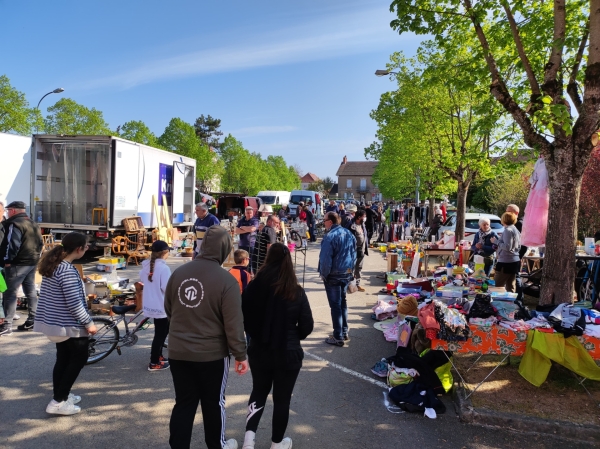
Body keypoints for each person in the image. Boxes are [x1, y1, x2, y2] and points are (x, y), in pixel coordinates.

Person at [165, 225, 249, 449]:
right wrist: (240, 354)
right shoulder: (226, 280)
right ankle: (217, 445)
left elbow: (169, 310)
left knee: (184, 403)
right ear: (224, 249)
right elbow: (234, 324)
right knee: (214, 403)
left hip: (178, 351)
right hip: (212, 355)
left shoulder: (179, 273)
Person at [241, 243, 314, 449]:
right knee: (282, 399)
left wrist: (254, 335)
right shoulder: (296, 291)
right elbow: (307, 325)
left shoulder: (254, 287)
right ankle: (277, 443)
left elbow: (243, 316)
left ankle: (248, 440)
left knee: (258, 392)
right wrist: (294, 336)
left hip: (260, 350)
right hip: (288, 352)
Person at [33, 232, 97, 415]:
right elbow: (74, 303)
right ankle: (58, 401)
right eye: (86, 247)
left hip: (54, 323)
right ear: (79, 249)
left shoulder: (55, 265)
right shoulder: (67, 270)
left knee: (63, 359)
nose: (87, 249)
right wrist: (89, 323)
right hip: (66, 325)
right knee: (78, 359)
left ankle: (61, 395)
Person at [0, 201, 43, 335]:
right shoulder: (33, 223)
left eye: (8, 211)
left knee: (10, 293)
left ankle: (7, 325)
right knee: (30, 290)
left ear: (13, 210)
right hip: (31, 262)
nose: (7, 213)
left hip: (18, 264)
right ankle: (33, 319)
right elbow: (41, 243)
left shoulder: (15, 224)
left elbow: (12, 244)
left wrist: (8, 260)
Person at [318, 212, 356, 347]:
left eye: (324, 221)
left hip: (334, 275)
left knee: (336, 306)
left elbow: (325, 259)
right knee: (342, 303)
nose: (323, 223)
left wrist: (324, 274)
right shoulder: (348, 233)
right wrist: (351, 272)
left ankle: (338, 335)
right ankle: (343, 331)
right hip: (345, 273)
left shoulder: (330, 236)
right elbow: (353, 254)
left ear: (330, 221)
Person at [140, 240, 172, 372]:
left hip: (150, 304)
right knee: (160, 334)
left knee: (161, 332)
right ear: (165, 253)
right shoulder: (164, 268)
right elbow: (167, 288)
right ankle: (154, 362)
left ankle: (158, 356)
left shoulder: (146, 266)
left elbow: (143, 280)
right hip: (161, 306)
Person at [492, 212, 522, 292]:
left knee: (496, 286)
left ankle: (497, 303)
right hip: (514, 260)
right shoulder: (515, 229)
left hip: (506, 262)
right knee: (510, 286)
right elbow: (518, 246)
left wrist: (496, 241)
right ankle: (511, 303)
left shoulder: (508, 230)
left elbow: (507, 247)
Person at [346, 210, 369, 292]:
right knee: (349, 268)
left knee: (359, 268)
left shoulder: (362, 224)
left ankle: (357, 284)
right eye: (364, 216)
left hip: (361, 250)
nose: (365, 218)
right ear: (359, 217)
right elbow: (347, 239)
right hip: (353, 251)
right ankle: (348, 284)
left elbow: (364, 236)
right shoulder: (351, 226)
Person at [235, 206, 260, 272]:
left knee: (250, 262)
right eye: (248, 213)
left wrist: (242, 227)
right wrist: (247, 229)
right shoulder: (241, 220)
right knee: (241, 261)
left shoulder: (255, 220)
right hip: (242, 244)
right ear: (245, 213)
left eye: (251, 213)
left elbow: (252, 229)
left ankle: (249, 276)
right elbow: (236, 231)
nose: (249, 214)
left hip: (251, 244)